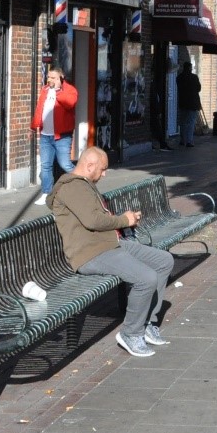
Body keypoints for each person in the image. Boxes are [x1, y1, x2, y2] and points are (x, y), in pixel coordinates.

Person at [49, 146, 174, 359]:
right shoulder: (72, 188)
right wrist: (124, 220)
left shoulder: (84, 185)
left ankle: (146, 323)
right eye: (103, 169)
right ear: (89, 166)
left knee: (164, 260)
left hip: (110, 244)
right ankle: (130, 334)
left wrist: (126, 221)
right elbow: (93, 220)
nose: (105, 174)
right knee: (147, 278)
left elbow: (97, 217)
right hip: (92, 253)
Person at [32, 67, 78, 205]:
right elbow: (40, 109)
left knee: (65, 164)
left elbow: (70, 104)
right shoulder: (45, 90)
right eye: (49, 77)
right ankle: (46, 193)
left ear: (60, 78)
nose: (49, 79)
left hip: (61, 136)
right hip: (46, 135)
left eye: (53, 77)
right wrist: (33, 127)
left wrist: (58, 91)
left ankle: (84, 183)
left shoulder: (70, 90)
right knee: (45, 166)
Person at [175, 59, 202, 147]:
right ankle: (189, 141)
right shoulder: (194, 77)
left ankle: (182, 140)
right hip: (193, 103)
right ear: (190, 68)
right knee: (191, 122)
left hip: (182, 103)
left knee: (183, 122)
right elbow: (198, 89)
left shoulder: (179, 77)